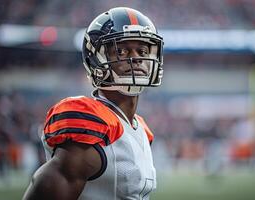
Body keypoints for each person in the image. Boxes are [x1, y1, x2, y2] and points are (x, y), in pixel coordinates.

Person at [23, 7, 164, 200]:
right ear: (96, 59)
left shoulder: (140, 129)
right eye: (121, 50)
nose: (135, 58)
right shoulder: (91, 125)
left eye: (142, 50)